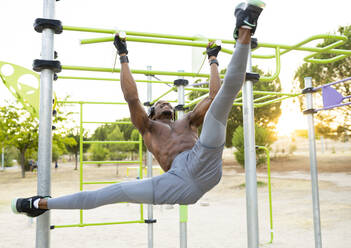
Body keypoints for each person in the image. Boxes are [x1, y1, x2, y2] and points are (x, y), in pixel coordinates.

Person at [11, 1, 264, 218]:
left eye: (168, 104)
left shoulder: (188, 122)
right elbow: (132, 99)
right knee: (111, 193)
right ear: (151, 113)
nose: (165, 104)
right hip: (176, 182)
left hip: (204, 162)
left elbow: (213, 95)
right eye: (159, 104)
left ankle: (245, 27)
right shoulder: (149, 128)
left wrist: (213, 59)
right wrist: (123, 55)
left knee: (221, 103)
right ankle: (39, 203)